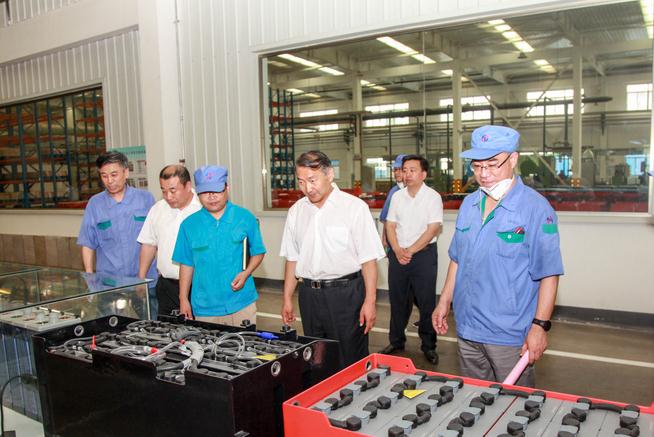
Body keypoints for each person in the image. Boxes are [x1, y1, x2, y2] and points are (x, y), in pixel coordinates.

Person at [432, 125, 564, 387]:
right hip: (468, 328)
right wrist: (444, 301)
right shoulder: (469, 204)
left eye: (492, 165)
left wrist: (539, 326)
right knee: (474, 399)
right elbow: (457, 258)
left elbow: (549, 273)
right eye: (477, 166)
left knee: (513, 405)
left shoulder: (535, 208)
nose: (484, 174)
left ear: (513, 159)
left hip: (509, 334)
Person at [280, 151, 385, 368]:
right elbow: (292, 258)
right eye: (301, 182)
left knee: (350, 359)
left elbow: (368, 260)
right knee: (316, 359)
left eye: (312, 180)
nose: (308, 188)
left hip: (346, 296)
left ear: (329, 174)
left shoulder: (354, 208)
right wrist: (287, 297)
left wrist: (370, 301)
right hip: (309, 296)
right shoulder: (296, 212)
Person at [172, 165, 266, 326]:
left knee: (245, 342)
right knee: (208, 343)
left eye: (216, 190)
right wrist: (183, 299)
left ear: (227, 188)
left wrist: (246, 273)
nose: (212, 197)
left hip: (241, 302)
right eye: (205, 192)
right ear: (197, 194)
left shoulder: (244, 218)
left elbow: (258, 251)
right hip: (205, 307)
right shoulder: (189, 225)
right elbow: (186, 264)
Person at [77, 151, 158, 318]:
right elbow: (88, 243)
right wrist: (90, 279)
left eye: (114, 175)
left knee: (150, 327)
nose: (109, 181)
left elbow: (156, 239)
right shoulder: (95, 204)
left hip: (144, 283)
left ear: (126, 172)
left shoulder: (145, 199)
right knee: (112, 330)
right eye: (104, 176)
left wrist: (143, 277)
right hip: (109, 285)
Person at [380, 155, 443, 365]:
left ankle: (429, 345)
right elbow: (390, 225)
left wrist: (410, 251)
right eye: (404, 170)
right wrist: (397, 250)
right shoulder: (397, 197)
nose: (407, 174)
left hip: (423, 256)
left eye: (412, 170)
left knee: (426, 302)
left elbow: (432, 229)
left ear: (423, 174)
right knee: (398, 300)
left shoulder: (432, 197)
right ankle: (396, 341)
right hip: (398, 254)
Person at [137, 165, 202, 317]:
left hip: (199, 286)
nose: (168, 196)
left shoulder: (202, 208)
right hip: (167, 286)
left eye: (173, 190)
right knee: (167, 329)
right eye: (163, 191)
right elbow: (149, 244)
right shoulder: (158, 209)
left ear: (188, 186)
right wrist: (141, 278)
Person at [380, 153, 407, 248]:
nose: (397, 173)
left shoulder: (414, 192)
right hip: (393, 240)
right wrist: (384, 238)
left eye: (400, 170)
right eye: (395, 170)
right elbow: (386, 218)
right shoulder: (393, 191)